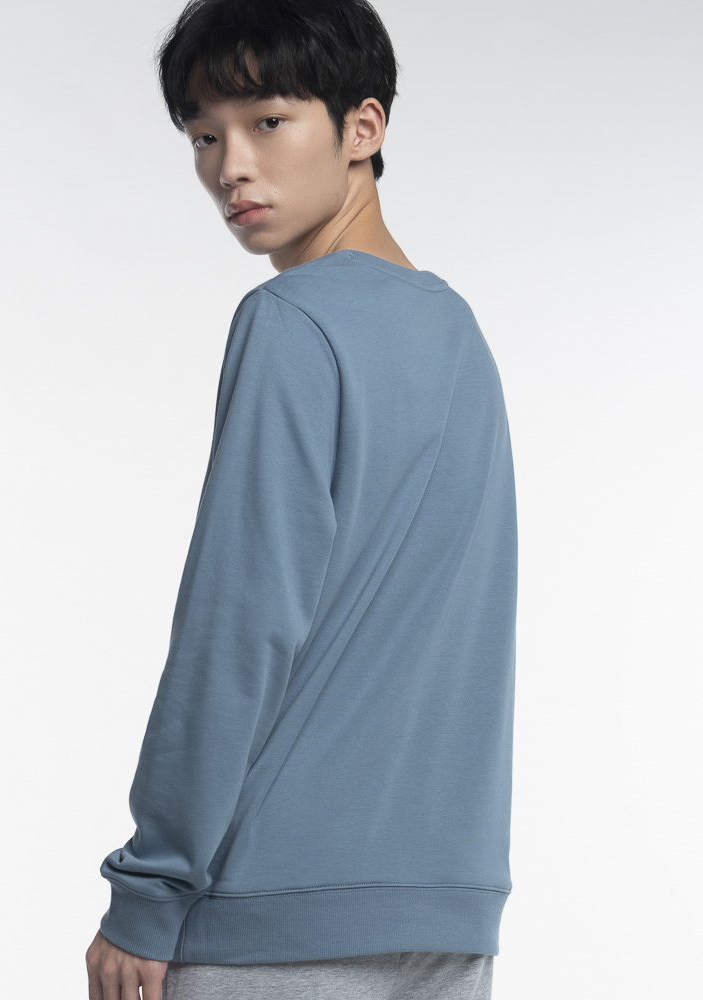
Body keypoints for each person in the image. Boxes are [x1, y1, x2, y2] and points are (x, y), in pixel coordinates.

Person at [85, 1, 518, 998]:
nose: (229, 167)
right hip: (447, 915)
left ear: (362, 127)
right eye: (204, 136)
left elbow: (238, 624)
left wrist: (150, 887)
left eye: (267, 121)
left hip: (271, 920)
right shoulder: (459, 334)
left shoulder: (289, 321)